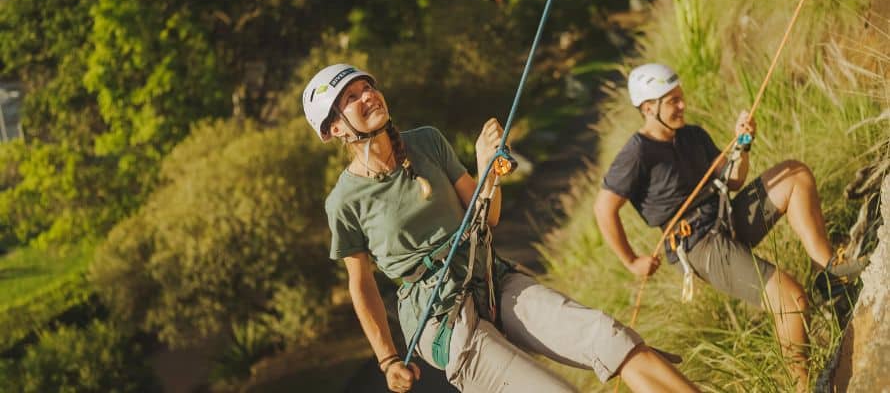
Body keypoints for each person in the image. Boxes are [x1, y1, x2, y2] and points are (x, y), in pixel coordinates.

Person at [303, 63, 699, 393]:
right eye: (351, 98)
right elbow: (362, 285)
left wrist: (486, 167)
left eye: (366, 87)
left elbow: (486, 217)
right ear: (335, 129)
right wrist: (388, 358)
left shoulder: (426, 142)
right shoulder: (344, 201)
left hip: (490, 276)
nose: (367, 95)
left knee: (610, 337)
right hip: (440, 318)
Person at [594, 63, 870, 392]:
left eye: (681, 98)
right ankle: (800, 388)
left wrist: (744, 143)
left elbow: (733, 179)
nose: (682, 105)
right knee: (790, 300)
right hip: (699, 244)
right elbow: (604, 208)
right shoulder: (637, 153)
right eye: (672, 101)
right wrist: (631, 261)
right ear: (648, 108)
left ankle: (831, 275)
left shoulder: (692, 135)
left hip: (725, 216)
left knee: (795, 174)